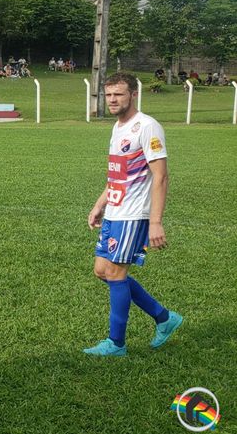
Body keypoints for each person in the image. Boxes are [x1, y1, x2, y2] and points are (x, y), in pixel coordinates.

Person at [83, 72, 183, 357]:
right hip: (115, 210)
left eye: (119, 94)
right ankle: (164, 318)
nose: (112, 100)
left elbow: (161, 176)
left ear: (133, 95)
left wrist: (155, 222)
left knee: (116, 273)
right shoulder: (118, 128)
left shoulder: (147, 127)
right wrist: (99, 204)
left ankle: (116, 343)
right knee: (102, 271)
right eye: (109, 95)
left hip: (134, 213)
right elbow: (118, 174)